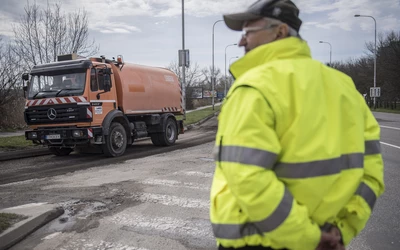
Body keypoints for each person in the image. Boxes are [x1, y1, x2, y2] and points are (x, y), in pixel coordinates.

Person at [209, 1, 385, 250]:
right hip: (330, 238)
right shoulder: (345, 87)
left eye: (248, 32)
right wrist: (341, 230)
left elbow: (248, 178)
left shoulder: (255, 87)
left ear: (279, 31)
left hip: (260, 241)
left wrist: (308, 238)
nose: (241, 42)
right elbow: (372, 172)